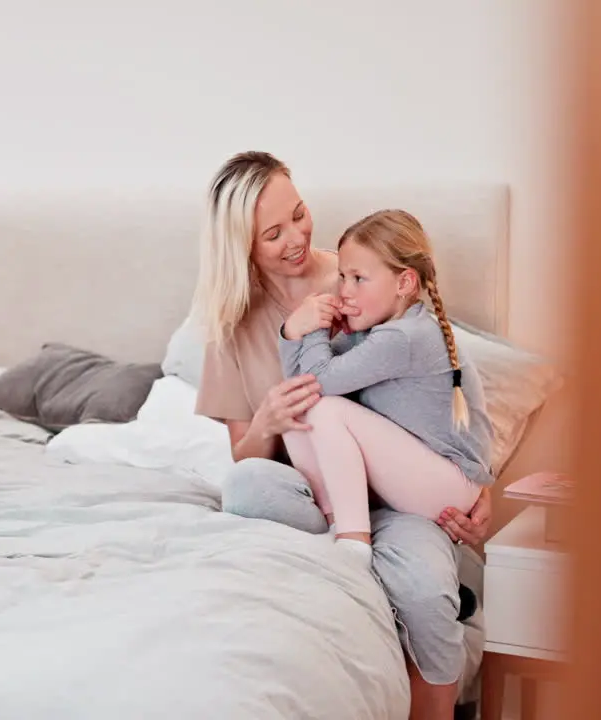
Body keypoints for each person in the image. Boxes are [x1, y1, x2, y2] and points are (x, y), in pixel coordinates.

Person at [190, 151, 492, 720]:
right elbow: (243, 453)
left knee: (428, 593)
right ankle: (350, 539)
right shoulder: (230, 327)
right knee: (247, 486)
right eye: (272, 234)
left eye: (299, 214)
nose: (297, 237)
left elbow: (451, 377)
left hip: (400, 500)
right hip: (315, 492)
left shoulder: (361, 275)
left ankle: (395, 579)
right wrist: (266, 422)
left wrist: (483, 483)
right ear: (241, 247)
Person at [277, 209, 494, 567]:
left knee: (323, 407)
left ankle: (353, 541)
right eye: (342, 277)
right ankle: (335, 523)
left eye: (359, 278)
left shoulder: (404, 337)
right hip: (424, 478)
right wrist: (293, 334)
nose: (344, 290)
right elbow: (300, 387)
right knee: (295, 408)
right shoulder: (377, 330)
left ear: (404, 283)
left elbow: (320, 381)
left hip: (447, 486)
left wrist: (313, 328)